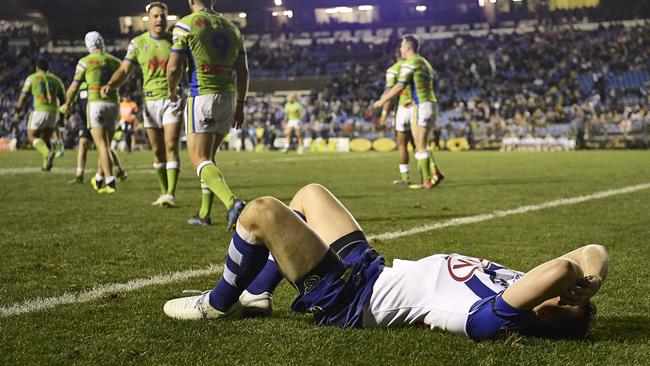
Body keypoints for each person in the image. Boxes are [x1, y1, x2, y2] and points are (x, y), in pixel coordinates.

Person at [163, 183, 608, 341]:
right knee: (310, 195)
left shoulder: (498, 319)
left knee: (261, 212)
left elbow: (560, 269)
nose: (562, 293)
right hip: (373, 270)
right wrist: (592, 281)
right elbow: (591, 252)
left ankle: (219, 303)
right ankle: (258, 294)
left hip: (350, 299)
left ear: (545, 314)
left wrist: (573, 281)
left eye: (563, 303)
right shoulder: (520, 288)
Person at [166, 0, 247, 228]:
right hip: (228, 98)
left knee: (199, 159)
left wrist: (171, 90)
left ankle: (232, 203)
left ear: (191, 1)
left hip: (202, 95)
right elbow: (243, 71)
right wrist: (240, 105)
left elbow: (173, 67)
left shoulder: (186, 24)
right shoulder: (232, 27)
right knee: (209, 158)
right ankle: (204, 214)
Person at [102, 1, 182, 206]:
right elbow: (125, 69)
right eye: (155, 16)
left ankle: (171, 193)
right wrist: (111, 84)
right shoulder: (138, 43)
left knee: (171, 144)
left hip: (171, 98)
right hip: (150, 101)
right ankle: (164, 192)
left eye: (162, 16)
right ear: (149, 19)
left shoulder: (176, 40)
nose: (159, 19)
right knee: (157, 150)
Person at [374, 35, 444, 190]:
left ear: (407, 47)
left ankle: (426, 180)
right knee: (421, 144)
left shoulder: (409, 64)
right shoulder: (424, 62)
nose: (400, 49)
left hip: (420, 105)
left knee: (419, 146)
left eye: (401, 46)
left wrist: (382, 101)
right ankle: (432, 175)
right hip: (431, 103)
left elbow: (399, 86)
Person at [64, 31, 125, 194]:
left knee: (102, 146)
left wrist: (68, 103)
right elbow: (124, 76)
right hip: (113, 104)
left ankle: (110, 181)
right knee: (106, 145)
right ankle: (99, 177)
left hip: (96, 103)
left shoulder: (85, 62)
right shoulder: (115, 61)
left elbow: (74, 87)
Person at [14, 59, 65, 171]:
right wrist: (61, 117)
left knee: (31, 136)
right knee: (45, 139)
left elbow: (23, 97)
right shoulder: (56, 80)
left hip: (39, 110)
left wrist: (17, 111)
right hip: (53, 112)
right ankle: (46, 165)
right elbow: (63, 100)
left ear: (37, 68)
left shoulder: (31, 78)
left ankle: (47, 153)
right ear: (48, 69)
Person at [379, 51, 416, 185]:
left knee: (402, 144)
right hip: (417, 106)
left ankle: (405, 178)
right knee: (419, 144)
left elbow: (389, 93)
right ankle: (428, 176)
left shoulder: (393, 69)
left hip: (403, 109)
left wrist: (384, 114)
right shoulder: (413, 65)